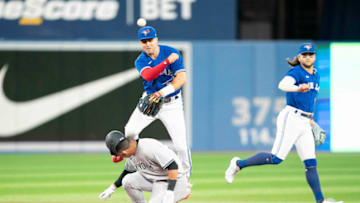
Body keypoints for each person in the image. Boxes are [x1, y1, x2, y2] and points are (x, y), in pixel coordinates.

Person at [225, 43, 343, 203]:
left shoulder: (316, 74)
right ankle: (238, 164)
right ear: (299, 57)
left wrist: (310, 120)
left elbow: (310, 99)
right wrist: (297, 88)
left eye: (311, 54)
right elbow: (282, 85)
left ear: (314, 57)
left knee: (311, 163)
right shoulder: (296, 72)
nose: (308, 57)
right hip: (291, 118)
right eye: (305, 54)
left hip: (304, 121)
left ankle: (320, 201)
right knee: (276, 158)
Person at [124, 26, 192, 178]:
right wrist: (167, 62)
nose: (148, 44)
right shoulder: (141, 60)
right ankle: (134, 160)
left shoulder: (171, 51)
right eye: (144, 41)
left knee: (181, 146)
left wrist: (162, 93)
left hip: (171, 103)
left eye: (150, 40)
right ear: (141, 43)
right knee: (130, 132)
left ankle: (185, 179)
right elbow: (148, 75)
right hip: (150, 102)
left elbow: (182, 79)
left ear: (156, 39)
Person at [99, 130, 191, 202]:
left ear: (124, 152)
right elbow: (128, 171)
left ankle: (180, 192)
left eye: (118, 154)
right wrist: (113, 188)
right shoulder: (130, 152)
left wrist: (170, 192)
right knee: (127, 181)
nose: (118, 157)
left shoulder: (149, 148)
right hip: (157, 181)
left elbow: (173, 166)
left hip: (176, 181)